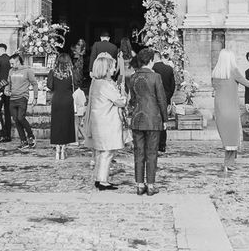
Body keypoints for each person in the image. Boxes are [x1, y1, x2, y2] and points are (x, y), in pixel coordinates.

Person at [212, 48, 249, 172]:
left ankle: (230, 162)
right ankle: (228, 163)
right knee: (233, 136)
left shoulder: (215, 73)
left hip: (220, 108)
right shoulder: (233, 71)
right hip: (231, 107)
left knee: (227, 136)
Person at [84, 52, 127, 190]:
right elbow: (119, 101)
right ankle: (102, 181)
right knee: (107, 152)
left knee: (101, 152)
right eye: (113, 67)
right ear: (106, 69)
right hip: (106, 122)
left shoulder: (95, 83)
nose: (115, 70)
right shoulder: (105, 85)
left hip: (98, 121)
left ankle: (99, 177)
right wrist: (125, 97)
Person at [130, 48, 169, 196]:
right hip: (153, 118)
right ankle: (151, 185)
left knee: (139, 152)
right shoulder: (156, 77)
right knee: (152, 152)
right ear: (151, 60)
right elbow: (161, 99)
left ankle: (139, 184)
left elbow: (132, 99)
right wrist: (165, 119)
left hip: (137, 118)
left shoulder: (132, 77)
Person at [47, 53, 76, 159]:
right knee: (66, 124)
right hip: (68, 99)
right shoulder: (71, 73)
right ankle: (63, 149)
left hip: (57, 99)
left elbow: (50, 86)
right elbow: (76, 84)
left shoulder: (53, 72)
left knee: (57, 124)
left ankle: (57, 149)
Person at [7, 53, 37, 150]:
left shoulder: (27, 70)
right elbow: (8, 84)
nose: (11, 66)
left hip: (23, 97)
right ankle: (23, 141)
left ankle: (31, 136)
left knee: (21, 117)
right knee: (16, 120)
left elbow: (34, 84)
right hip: (12, 98)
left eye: (12, 63)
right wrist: (6, 90)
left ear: (18, 61)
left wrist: (35, 97)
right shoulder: (11, 71)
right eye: (10, 64)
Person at [152, 50, 175, 153]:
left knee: (153, 120)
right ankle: (162, 145)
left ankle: (154, 143)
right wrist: (168, 97)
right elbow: (173, 86)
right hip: (165, 98)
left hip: (153, 98)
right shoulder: (169, 69)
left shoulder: (152, 69)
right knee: (163, 121)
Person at [0, 44, 12, 143]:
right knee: (8, 112)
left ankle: (1, 133)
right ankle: (8, 134)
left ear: (1, 50)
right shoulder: (10, 59)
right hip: (8, 87)